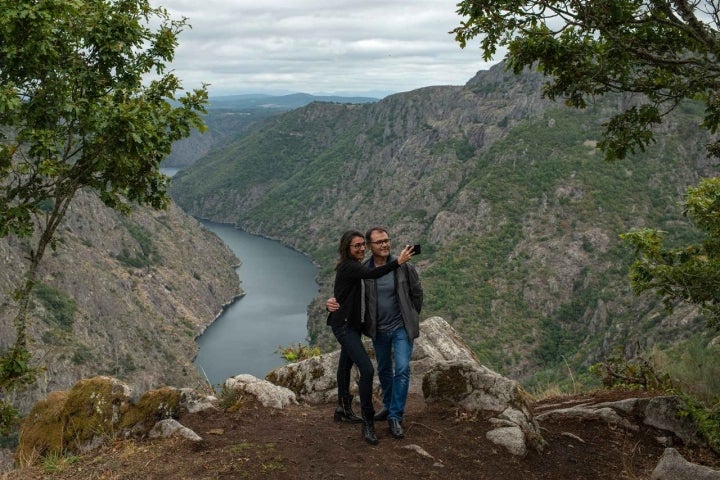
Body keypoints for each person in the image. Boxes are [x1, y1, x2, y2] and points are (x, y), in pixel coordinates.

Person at [327, 227, 423, 440]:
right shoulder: (363, 270)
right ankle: (379, 409)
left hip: (397, 328)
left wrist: (412, 316)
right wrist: (331, 304)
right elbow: (349, 289)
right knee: (382, 371)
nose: (385, 244)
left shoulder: (404, 268)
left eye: (387, 240)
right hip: (374, 329)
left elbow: (416, 293)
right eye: (378, 242)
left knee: (402, 369)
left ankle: (394, 416)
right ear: (371, 246)